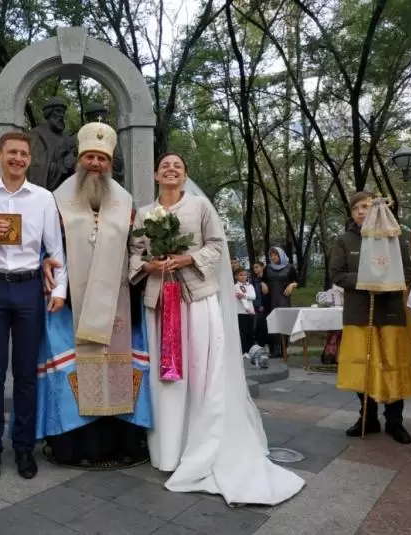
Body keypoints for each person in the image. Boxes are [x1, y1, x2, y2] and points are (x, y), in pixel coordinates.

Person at [129, 152, 304, 505]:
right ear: (155, 175)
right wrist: (149, 266)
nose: (171, 169)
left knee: (200, 369)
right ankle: (167, 450)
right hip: (160, 303)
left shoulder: (200, 207)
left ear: (185, 174)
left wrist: (187, 258)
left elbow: (217, 246)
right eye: (165, 166)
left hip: (197, 300)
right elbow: (134, 253)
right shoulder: (145, 214)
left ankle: (199, 443)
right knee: (165, 375)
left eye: (178, 166)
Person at [39, 121, 152, 468]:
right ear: (79, 160)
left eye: (102, 158)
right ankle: (75, 448)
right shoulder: (56, 199)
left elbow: (138, 248)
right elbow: (45, 244)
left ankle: (123, 446)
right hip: (69, 306)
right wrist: (44, 263)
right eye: (89, 156)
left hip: (118, 303)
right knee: (74, 370)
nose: (95, 164)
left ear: (110, 163)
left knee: (118, 367)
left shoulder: (125, 201)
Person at [0, 131, 67, 482]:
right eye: (12, 153)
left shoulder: (43, 198)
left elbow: (55, 250)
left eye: (23, 154)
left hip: (29, 288)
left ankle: (23, 446)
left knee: (25, 374)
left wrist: (59, 290)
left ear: (29, 159)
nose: (18, 159)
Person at [329, 191, 411, 444]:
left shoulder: (394, 236)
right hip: (360, 313)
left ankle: (394, 421)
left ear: (377, 208)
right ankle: (368, 418)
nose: (360, 212)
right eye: (356, 208)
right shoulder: (344, 240)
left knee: (392, 365)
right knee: (362, 367)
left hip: (390, 310)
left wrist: (388, 282)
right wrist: (366, 280)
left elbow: (410, 269)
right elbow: (337, 274)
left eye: (365, 206)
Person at [262, 247, 298, 358]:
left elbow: (298, 280)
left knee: (283, 321)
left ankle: (284, 349)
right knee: (271, 321)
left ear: (281, 255)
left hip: (283, 299)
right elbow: (263, 279)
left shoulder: (289, 267)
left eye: (275, 255)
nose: (273, 257)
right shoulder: (267, 268)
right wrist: (263, 284)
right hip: (270, 299)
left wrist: (292, 285)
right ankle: (273, 349)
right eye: (271, 255)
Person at [234, 267, 256, 356]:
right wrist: (244, 296)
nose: (243, 277)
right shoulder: (235, 286)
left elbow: (253, 296)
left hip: (251, 312)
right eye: (241, 275)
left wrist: (244, 295)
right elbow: (239, 297)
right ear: (236, 276)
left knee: (251, 332)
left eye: (245, 275)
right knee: (243, 332)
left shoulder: (250, 286)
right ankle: (244, 351)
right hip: (241, 312)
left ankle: (251, 351)